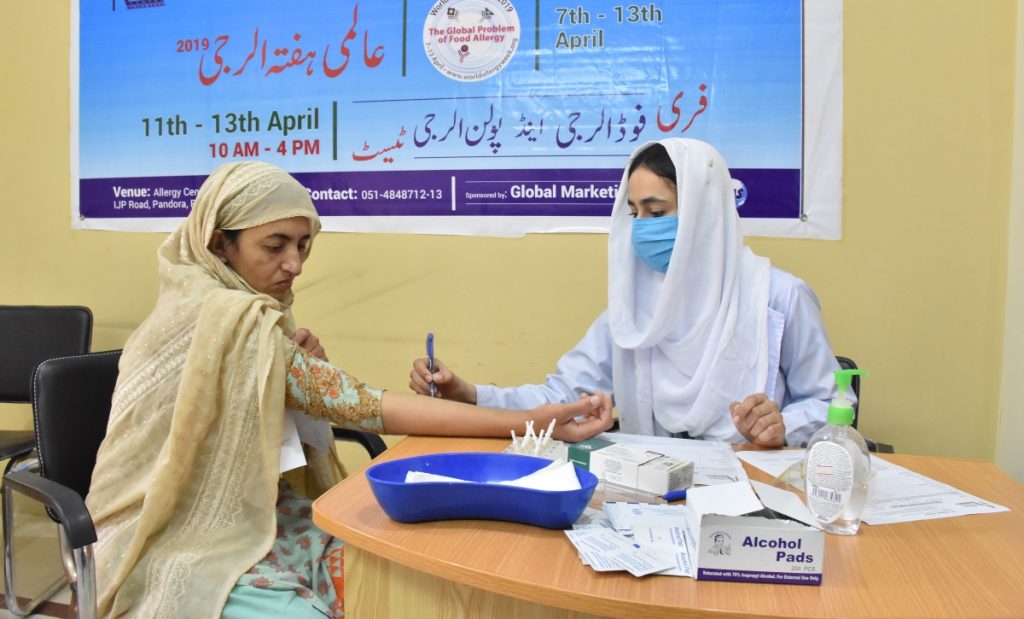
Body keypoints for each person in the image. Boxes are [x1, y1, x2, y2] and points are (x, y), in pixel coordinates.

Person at [85, 162, 612, 619]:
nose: (294, 264)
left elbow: (314, 404)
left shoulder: (246, 317)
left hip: (256, 514)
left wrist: (296, 374)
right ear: (220, 244)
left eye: (303, 245)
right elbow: (366, 406)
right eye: (275, 246)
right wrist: (530, 422)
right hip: (166, 538)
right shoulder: (224, 318)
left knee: (392, 576)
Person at [410, 138, 838, 448]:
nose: (643, 228)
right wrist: (470, 394)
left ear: (704, 213)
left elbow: (832, 402)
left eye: (657, 211)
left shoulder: (778, 298)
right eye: (635, 213)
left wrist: (784, 425)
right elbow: (562, 397)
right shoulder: (634, 309)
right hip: (651, 494)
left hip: (753, 496)